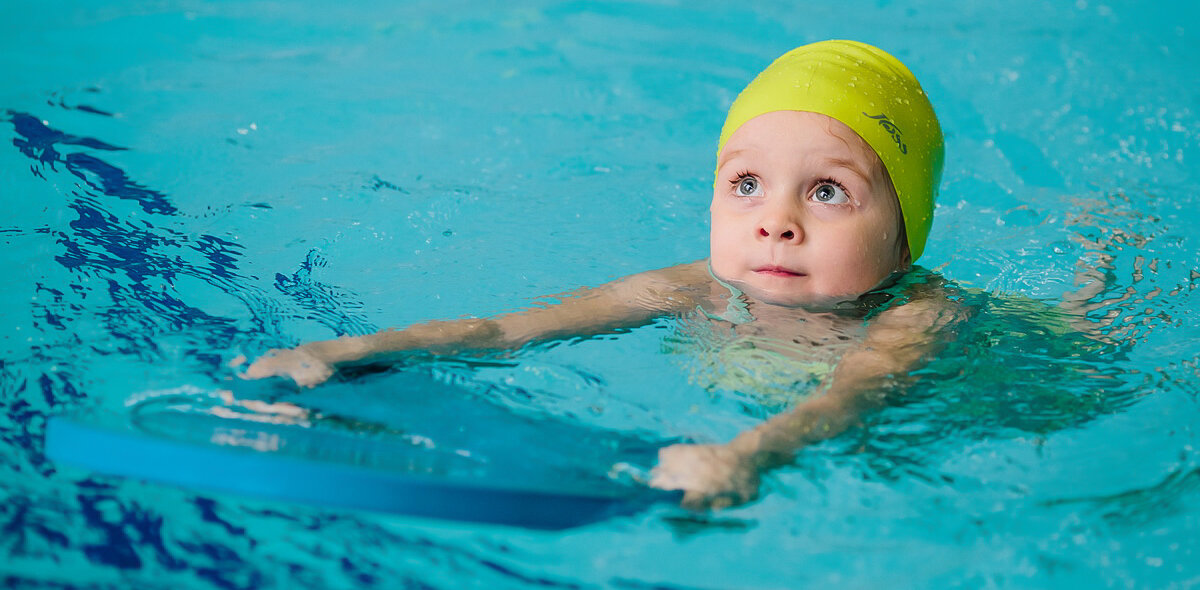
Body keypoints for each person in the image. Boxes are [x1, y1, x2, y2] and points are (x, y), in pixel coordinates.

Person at [243, 40, 964, 509]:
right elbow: (507, 329)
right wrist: (351, 353)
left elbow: (848, 403)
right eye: (747, 184)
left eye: (827, 191)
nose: (775, 222)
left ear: (904, 245)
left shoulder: (918, 317)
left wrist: (749, 454)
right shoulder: (694, 287)